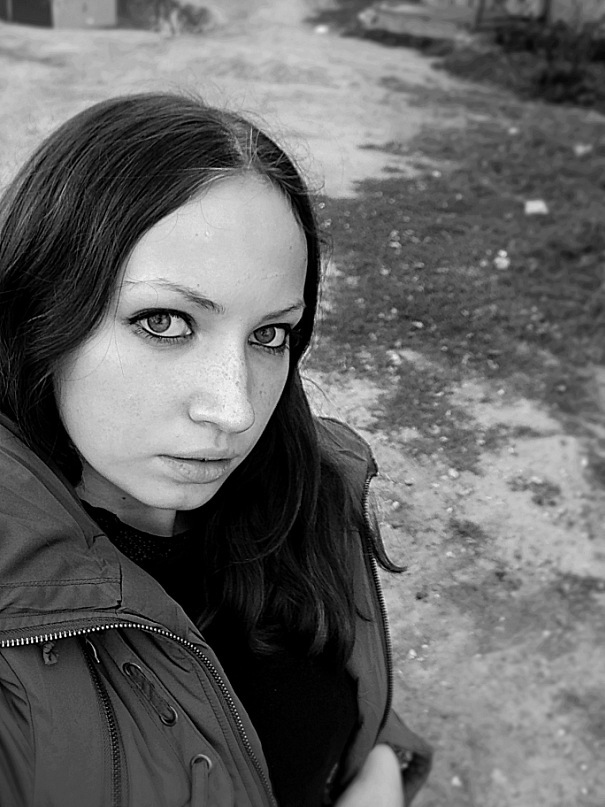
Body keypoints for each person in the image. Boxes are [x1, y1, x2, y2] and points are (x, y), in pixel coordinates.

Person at [0, 93, 432, 807]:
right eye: (163, 321)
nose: (235, 411)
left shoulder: (309, 489)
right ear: (36, 311)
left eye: (269, 334)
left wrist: (382, 763)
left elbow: (353, 703)